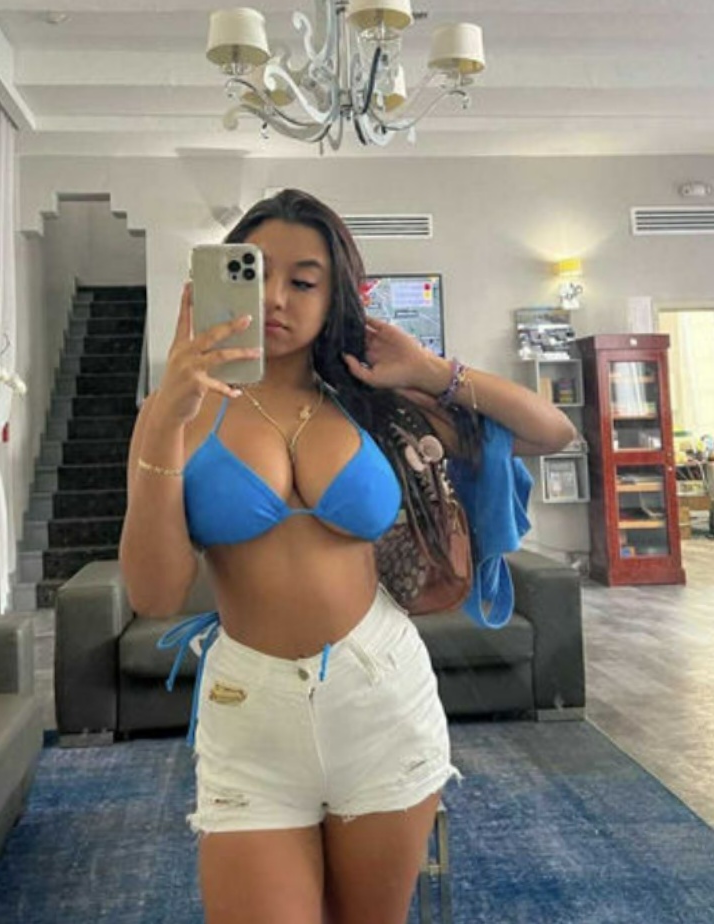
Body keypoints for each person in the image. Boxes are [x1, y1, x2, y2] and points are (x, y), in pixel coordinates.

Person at [119, 188, 575, 924]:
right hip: (251, 712)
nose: (275, 297)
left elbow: (552, 432)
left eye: (303, 281)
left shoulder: (371, 401)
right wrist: (167, 417)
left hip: (382, 693)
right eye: (254, 273)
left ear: (335, 300)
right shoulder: (181, 411)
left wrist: (432, 371)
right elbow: (155, 594)